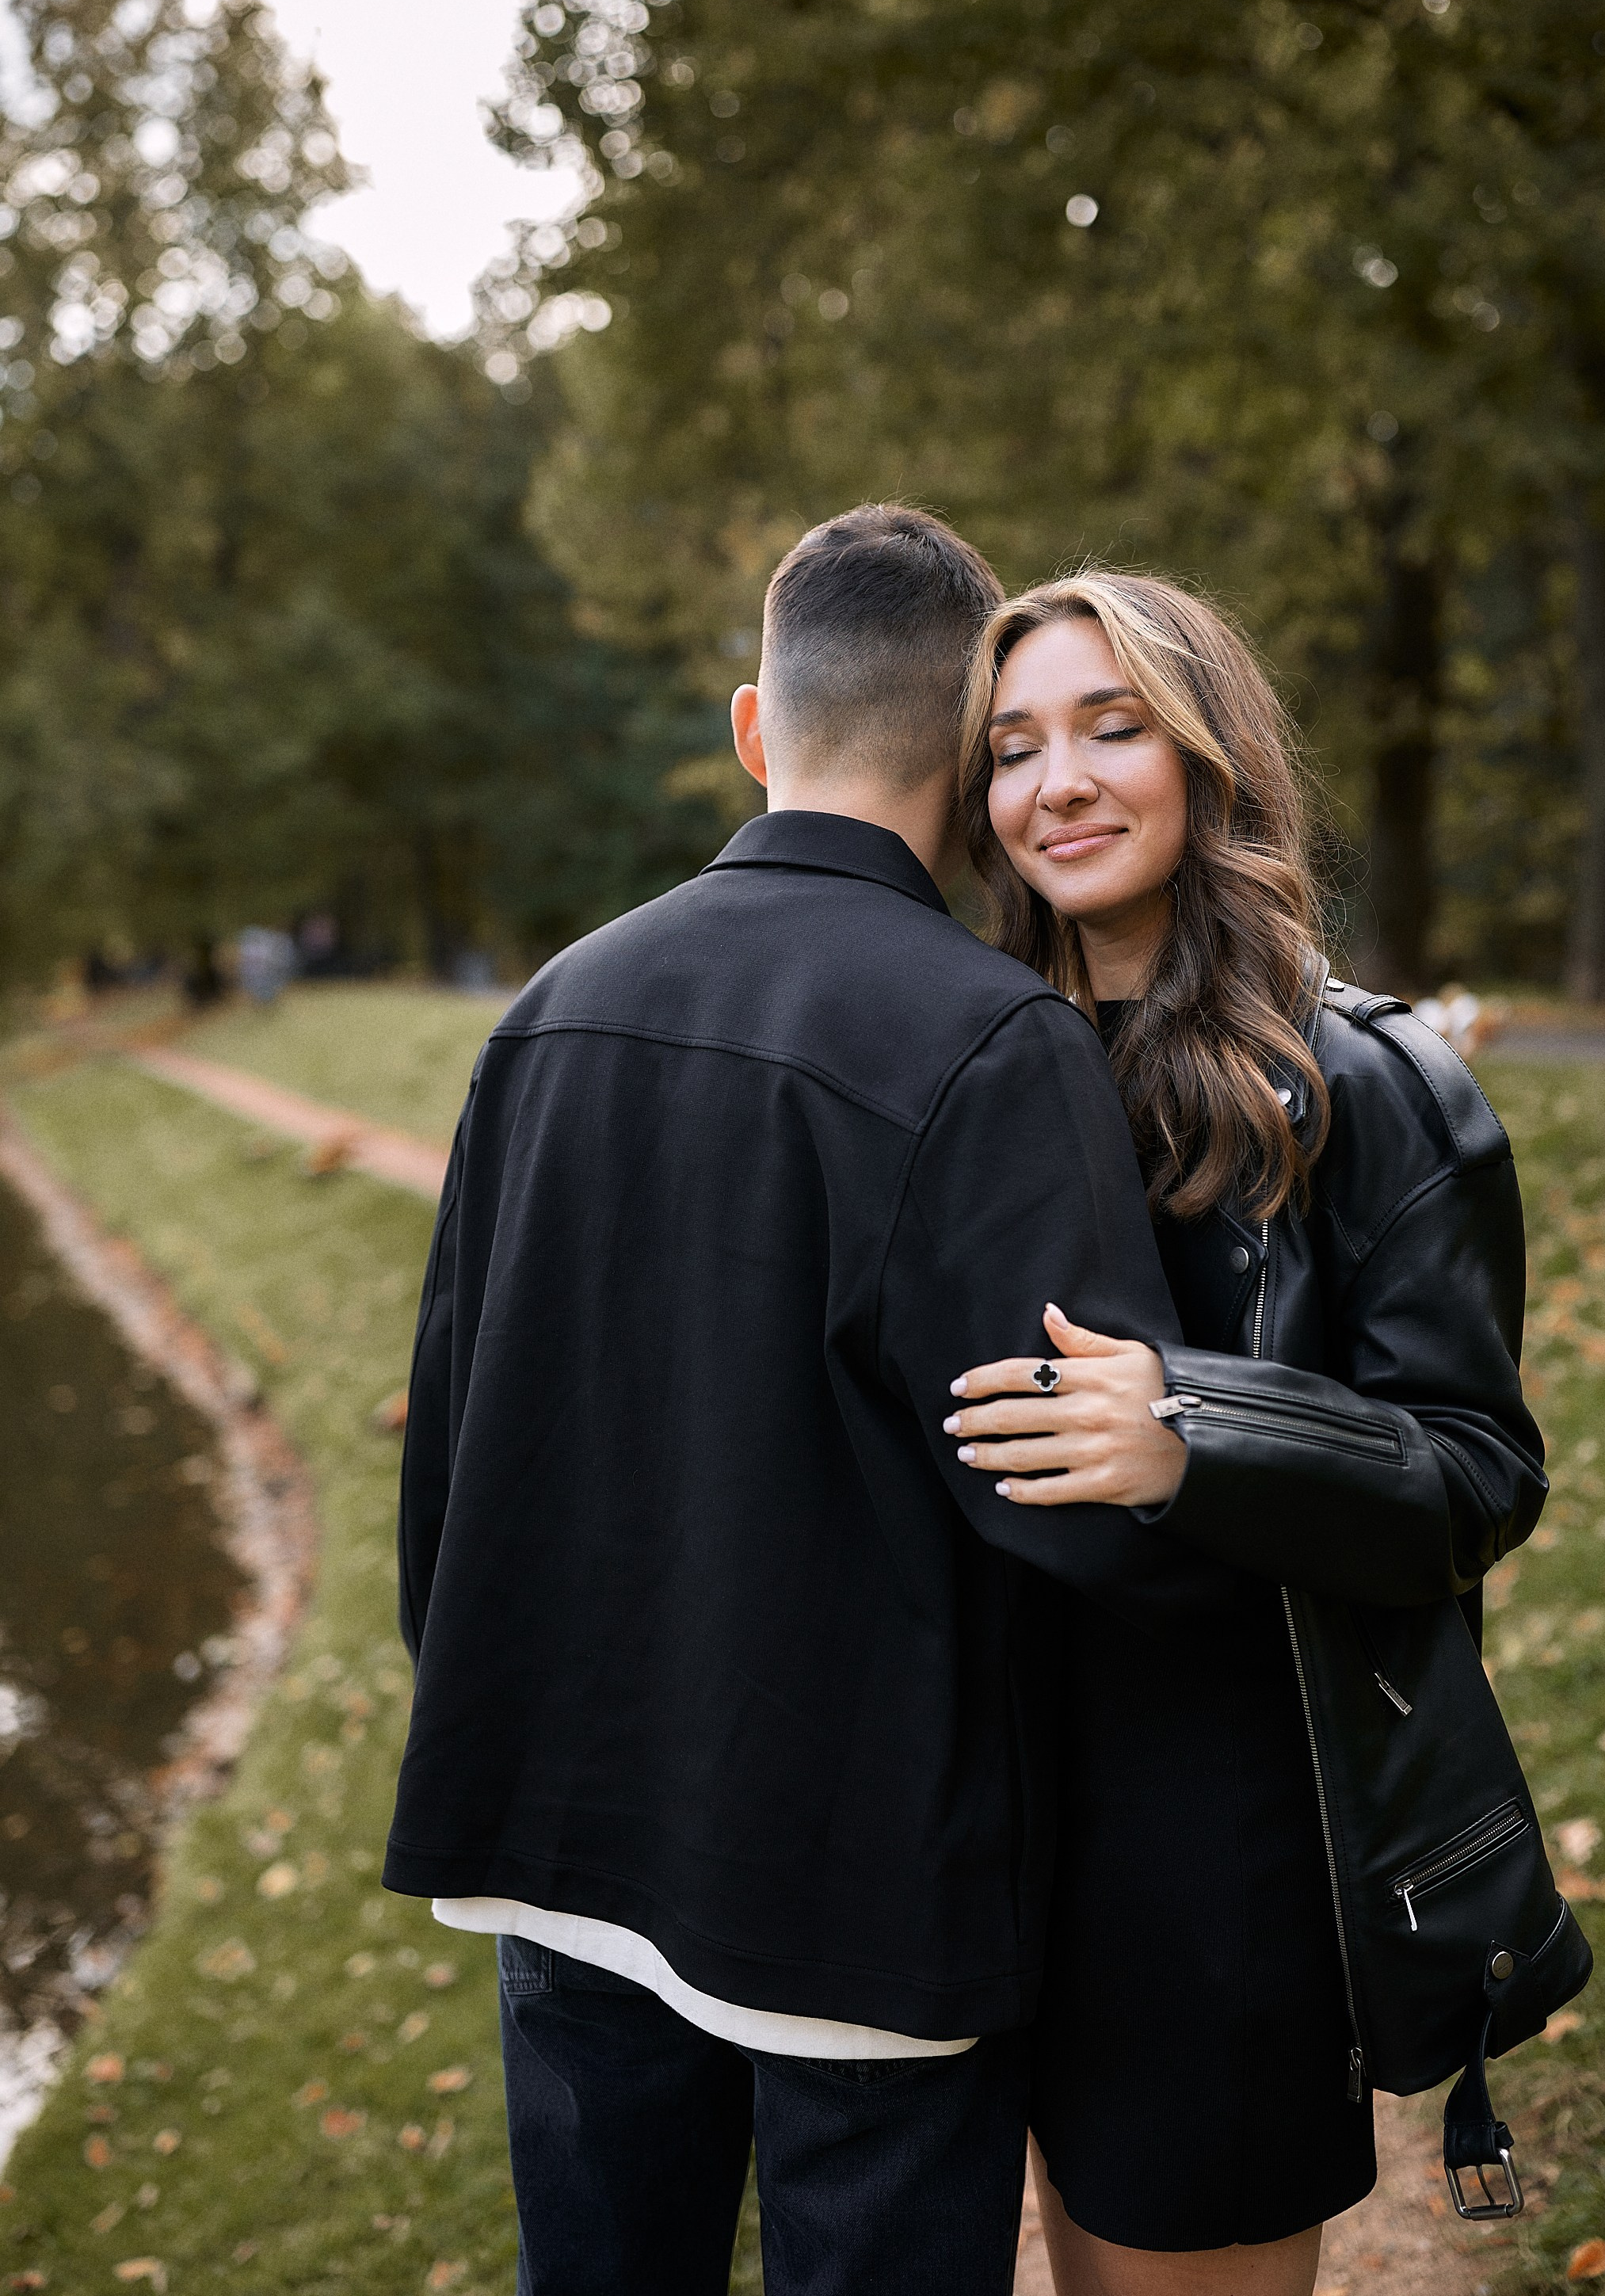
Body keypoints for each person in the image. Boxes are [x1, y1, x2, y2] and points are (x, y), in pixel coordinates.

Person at [383, 509, 1184, 2296]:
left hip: (561, 1837)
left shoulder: (548, 1011)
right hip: (867, 1884)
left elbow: (447, 1443)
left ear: (758, 726)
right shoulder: (992, 1041)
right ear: (969, 753)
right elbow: (1068, 1511)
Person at [944, 573, 1550, 2296]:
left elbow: (1471, 1469)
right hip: (988, 1812)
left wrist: (1195, 1429)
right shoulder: (976, 1062)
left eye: (1108, 726)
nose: (1053, 780)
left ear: (1208, 758)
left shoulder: (1373, 1086)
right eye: (1009, 747)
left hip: (1225, 1840)